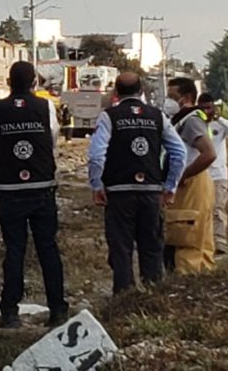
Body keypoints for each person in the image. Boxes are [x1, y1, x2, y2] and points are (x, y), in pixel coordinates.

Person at [0, 61, 68, 328]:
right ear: (34, 84)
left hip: (9, 189)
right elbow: (52, 141)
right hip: (41, 187)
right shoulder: (46, 107)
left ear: (8, 83)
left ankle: (9, 312)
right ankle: (57, 310)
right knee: (48, 249)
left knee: (15, 250)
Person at [87, 73, 187, 294]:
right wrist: (170, 186)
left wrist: (97, 185)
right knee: (151, 248)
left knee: (121, 250)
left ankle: (123, 299)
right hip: (152, 193)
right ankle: (153, 300)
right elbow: (179, 153)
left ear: (115, 92)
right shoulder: (158, 116)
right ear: (142, 91)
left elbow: (96, 156)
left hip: (119, 193)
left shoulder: (108, 117)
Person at [164, 77, 217, 274]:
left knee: (186, 235)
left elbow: (209, 153)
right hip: (193, 182)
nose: (168, 101)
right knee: (197, 238)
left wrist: (183, 175)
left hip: (191, 184)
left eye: (172, 97)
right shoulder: (181, 120)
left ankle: (187, 280)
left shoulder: (191, 121)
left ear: (186, 97)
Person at [197, 93, 228, 254]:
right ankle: (204, 239)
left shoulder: (220, 125)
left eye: (208, 107)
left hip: (218, 174)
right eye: (202, 108)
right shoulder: (195, 124)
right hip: (200, 174)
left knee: (218, 208)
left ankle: (219, 240)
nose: (206, 111)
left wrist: (219, 119)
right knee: (202, 209)